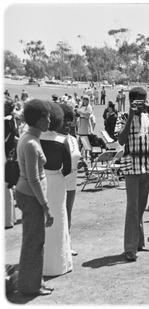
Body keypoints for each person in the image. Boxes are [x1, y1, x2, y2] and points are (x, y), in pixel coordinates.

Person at [117, 87, 149, 262]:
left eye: (144, 100)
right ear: (131, 101)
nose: (142, 104)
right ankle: (130, 248)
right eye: (139, 101)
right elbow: (121, 140)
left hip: (147, 167)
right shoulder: (122, 117)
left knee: (141, 207)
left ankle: (139, 242)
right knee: (132, 209)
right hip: (131, 169)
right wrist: (130, 117)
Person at [15, 99, 55, 296]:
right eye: (47, 117)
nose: (50, 121)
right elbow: (33, 179)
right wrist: (46, 206)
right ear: (40, 121)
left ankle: (32, 282)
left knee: (33, 241)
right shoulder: (31, 142)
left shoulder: (29, 136)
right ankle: (30, 287)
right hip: (32, 198)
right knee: (34, 243)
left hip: (29, 196)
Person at [40, 102, 73, 276]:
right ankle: (59, 263)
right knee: (59, 219)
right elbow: (67, 169)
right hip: (56, 180)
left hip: (40, 179)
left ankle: (42, 263)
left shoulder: (36, 138)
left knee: (42, 221)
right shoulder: (62, 141)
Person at [56, 104, 82, 256]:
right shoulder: (54, 139)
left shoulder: (72, 139)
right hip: (58, 180)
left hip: (72, 181)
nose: (68, 124)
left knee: (68, 214)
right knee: (58, 215)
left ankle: (67, 244)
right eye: (64, 120)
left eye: (70, 120)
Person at [5, 97, 17, 229]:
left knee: (5, 189)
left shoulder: (7, 121)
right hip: (7, 155)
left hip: (5, 156)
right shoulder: (10, 120)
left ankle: (7, 220)